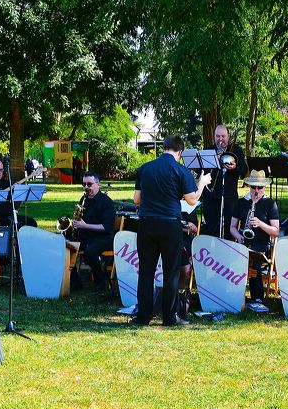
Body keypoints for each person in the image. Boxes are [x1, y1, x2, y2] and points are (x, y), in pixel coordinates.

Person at [133, 136, 211, 326]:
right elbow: (192, 200)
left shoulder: (145, 169)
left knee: (145, 272)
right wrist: (201, 183)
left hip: (147, 224)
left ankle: (143, 317)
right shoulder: (181, 170)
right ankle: (169, 317)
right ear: (180, 152)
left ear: (164, 148)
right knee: (171, 273)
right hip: (170, 225)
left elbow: (136, 200)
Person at [229, 170, 280, 312]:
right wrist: (238, 236)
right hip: (243, 240)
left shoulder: (270, 204)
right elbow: (232, 227)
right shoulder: (241, 202)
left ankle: (257, 298)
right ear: (249, 186)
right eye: (253, 187)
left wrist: (260, 224)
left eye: (259, 187)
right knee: (230, 257)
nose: (256, 191)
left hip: (261, 244)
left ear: (264, 187)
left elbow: (276, 231)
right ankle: (231, 294)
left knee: (254, 260)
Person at [201, 124, 247, 238]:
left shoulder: (236, 150)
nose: (220, 139)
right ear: (214, 137)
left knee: (229, 229)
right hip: (210, 196)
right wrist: (214, 161)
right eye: (217, 136)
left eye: (223, 136)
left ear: (228, 136)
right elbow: (199, 170)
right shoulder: (208, 150)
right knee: (211, 229)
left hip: (229, 197)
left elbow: (244, 170)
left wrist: (234, 168)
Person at [73, 171, 116, 291]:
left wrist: (85, 225)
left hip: (103, 238)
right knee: (65, 246)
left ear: (98, 184)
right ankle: (75, 282)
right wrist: (76, 223)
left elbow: (106, 227)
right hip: (86, 236)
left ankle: (100, 281)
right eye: (84, 184)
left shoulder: (106, 202)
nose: (86, 187)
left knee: (89, 252)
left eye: (89, 184)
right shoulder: (84, 199)